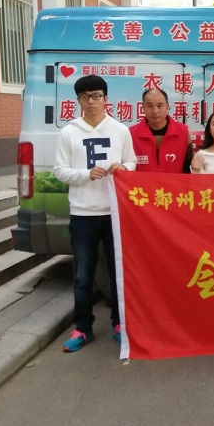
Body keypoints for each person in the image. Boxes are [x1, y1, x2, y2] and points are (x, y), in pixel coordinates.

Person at [53, 75, 137, 353]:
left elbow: (132, 162)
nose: (91, 101)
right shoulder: (69, 132)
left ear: (106, 98)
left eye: (97, 96)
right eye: (85, 96)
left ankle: (119, 323)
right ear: (78, 100)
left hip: (114, 212)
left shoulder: (120, 130)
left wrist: (124, 168)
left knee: (118, 272)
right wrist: (86, 174)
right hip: (83, 214)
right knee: (83, 275)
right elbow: (60, 171)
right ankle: (83, 328)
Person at [130, 87, 193, 173]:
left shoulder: (183, 132)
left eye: (160, 105)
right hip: (142, 182)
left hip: (175, 182)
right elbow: (127, 165)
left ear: (167, 106)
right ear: (143, 107)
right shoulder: (131, 133)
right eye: (149, 106)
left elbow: (189, 167)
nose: (155, 111)